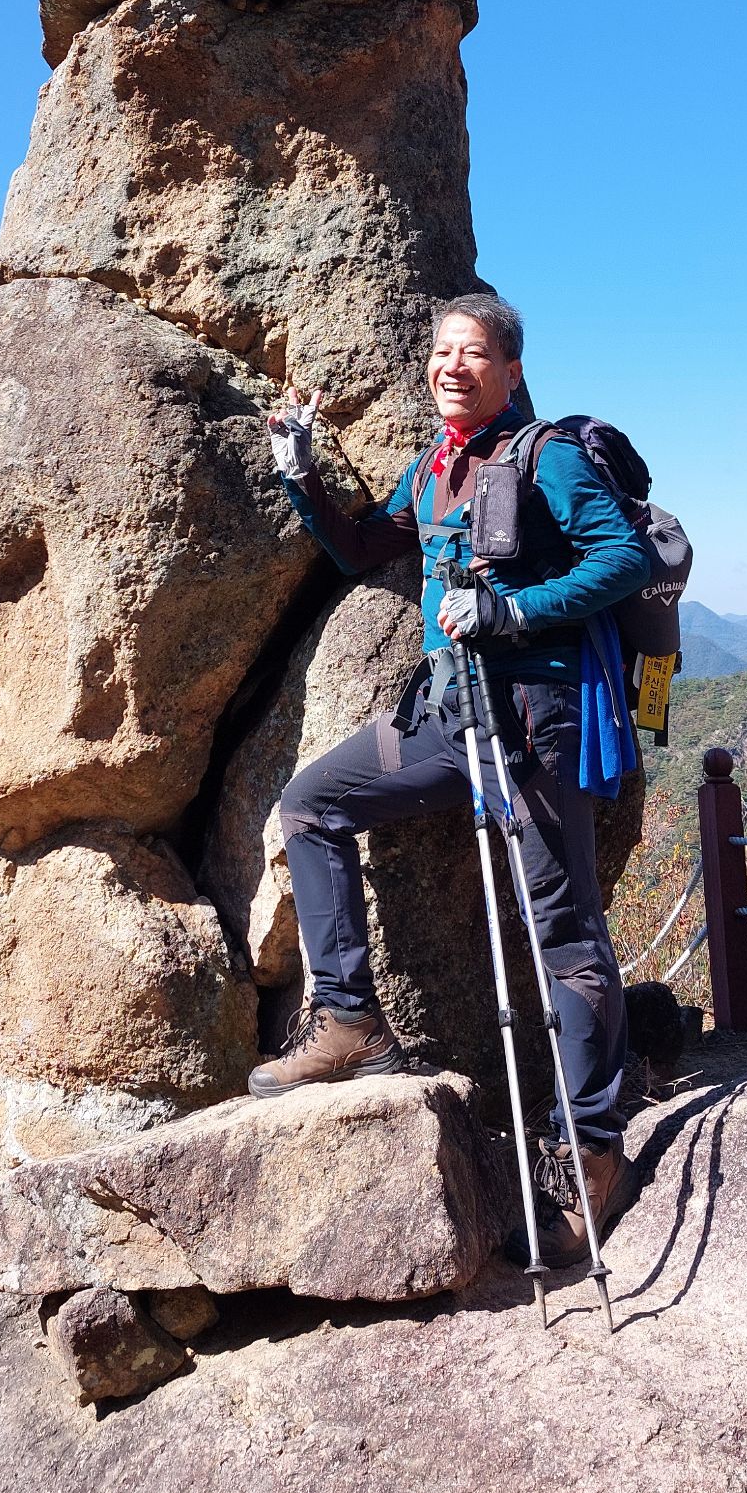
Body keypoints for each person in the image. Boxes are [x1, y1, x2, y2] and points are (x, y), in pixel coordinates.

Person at [247, 293, 652, 1268]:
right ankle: (350, 1020)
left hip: (536, 718)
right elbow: (364, 548)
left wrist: (515, 611)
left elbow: (624, 557)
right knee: (311, 804)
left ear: (511, 370)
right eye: (441, 351)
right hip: (448, 713)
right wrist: (301, 473)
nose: (452, 366)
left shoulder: (545, 455)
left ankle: (593, 1153)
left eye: (473, 353)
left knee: (566, 935)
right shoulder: (433, 464)